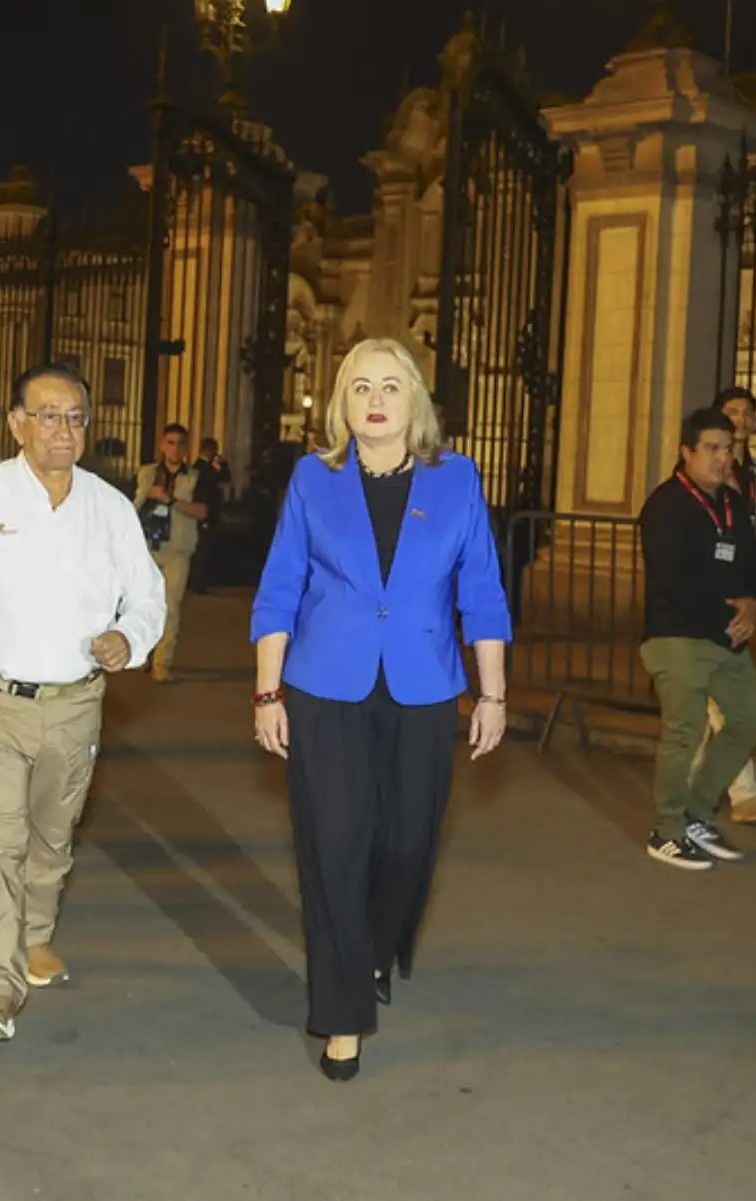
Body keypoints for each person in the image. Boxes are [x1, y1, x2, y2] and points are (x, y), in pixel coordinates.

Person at [251, 338, 510, 1083]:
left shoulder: (457, 480)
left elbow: (483, 594)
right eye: (360, 385)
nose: (375, 399)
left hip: (424, 687)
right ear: (341, 401)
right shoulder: (314, 479)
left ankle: (374, 947)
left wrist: (490, 691)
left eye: (391, 386)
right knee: (332, 849)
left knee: (404, 848)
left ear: (415, 401)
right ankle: (340, 1016)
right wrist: (268, 689)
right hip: (323, 686)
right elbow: (279, 588)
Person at [0, 362, 166, 1043]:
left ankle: (35, 932)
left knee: (51, 834)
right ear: (16, 424)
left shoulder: (108, 507)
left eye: (75, 416)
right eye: (47, 415)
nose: (62, 429)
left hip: (75, 703)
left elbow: (149, 596)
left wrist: (126, 638)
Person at [637, 406, 756, 872]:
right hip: (677, 635)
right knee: (685, 731)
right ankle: (667, 830)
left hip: (727, 637)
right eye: (711, 449)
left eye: (727, 449)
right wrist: (727, 617)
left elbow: (753, 562)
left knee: (748, 719)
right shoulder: (666, 506)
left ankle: (697, 812)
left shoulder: (732, 504)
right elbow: (673, 578)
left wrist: (754, 604)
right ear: (686, 452)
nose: (721, 459)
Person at [694, 385, 756, 824]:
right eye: (731, 412)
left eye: (747, 413)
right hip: (707, 592)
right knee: (728, 699)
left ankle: (689, 788)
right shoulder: (703, 469)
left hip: (743, 592)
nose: (740, 420)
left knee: (702, 700)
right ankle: (743, 793)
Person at [133, 423, 207, 683]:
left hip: (178, 549)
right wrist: (147, 493)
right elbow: (134, 506)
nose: (175, 449)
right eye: (170, 442)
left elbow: (202, 511)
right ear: (162, 445)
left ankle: (161, 663)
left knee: (170, 606)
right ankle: (145, 653)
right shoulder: (147, 473)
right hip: (149, 546)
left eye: (180, 444)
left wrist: (171, 501)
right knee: (143, 603)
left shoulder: (196, 477)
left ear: (187, 448)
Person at [189, 437, 227, 594]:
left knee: (207, 547)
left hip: (211, 511)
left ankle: (201, 581)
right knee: (202, 548)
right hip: (204, 511)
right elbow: (208, 484)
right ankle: (198, 583)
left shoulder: (210, 467)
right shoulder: (199, 467)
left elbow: (225, 478)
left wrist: (222, 465)